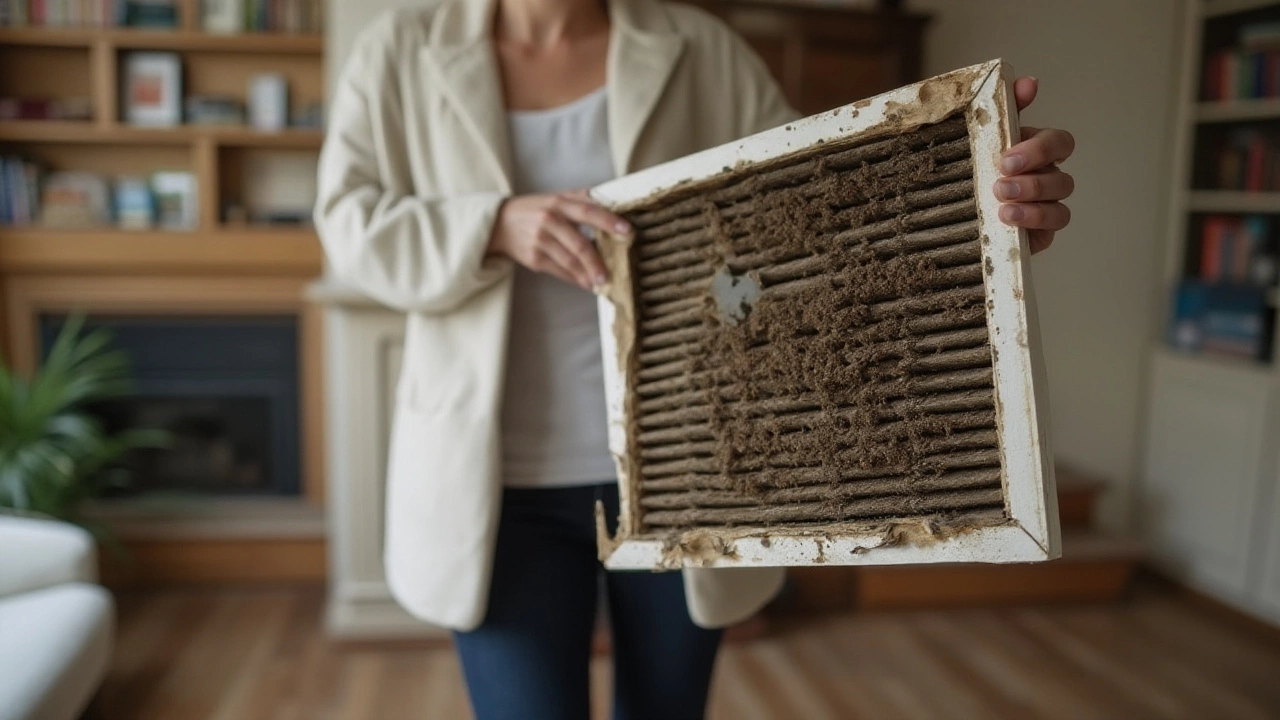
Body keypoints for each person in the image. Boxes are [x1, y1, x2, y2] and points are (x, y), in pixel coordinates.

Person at [314, 0, 1076, 716]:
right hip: (494, 487)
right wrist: (490, 226)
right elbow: (347, 225)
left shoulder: (702, 48)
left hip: (692, 470)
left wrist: (984, 209)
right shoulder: (396, 52)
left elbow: (813, 215)